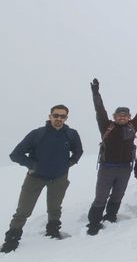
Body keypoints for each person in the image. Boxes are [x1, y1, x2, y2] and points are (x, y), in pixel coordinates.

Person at [1, 105, 83, 253]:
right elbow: (16, 154)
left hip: (59, 177)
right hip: (35, 178)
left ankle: (52, 231)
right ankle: (11, 240)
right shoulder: (37, 134)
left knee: (55, 208)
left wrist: (69, 163)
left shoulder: (71, 134)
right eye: (56, 115)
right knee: (23, 211)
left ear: (66, 118)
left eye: (62, 116)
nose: (59, 118)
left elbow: (78, 150)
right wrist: (32, 165)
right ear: (50, 116)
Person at [87, 78, 137, 236]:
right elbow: (99, 110)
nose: (122, 117)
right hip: (107, 168)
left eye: (125, 115)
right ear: (114, 116)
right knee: (101, 197)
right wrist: (96, 93)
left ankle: (110, 216)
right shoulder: (106, 126)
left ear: (129, 117)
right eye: (119, 115)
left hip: (125, 169)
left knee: (118, 195)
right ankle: (94, 223)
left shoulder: (132, 126)